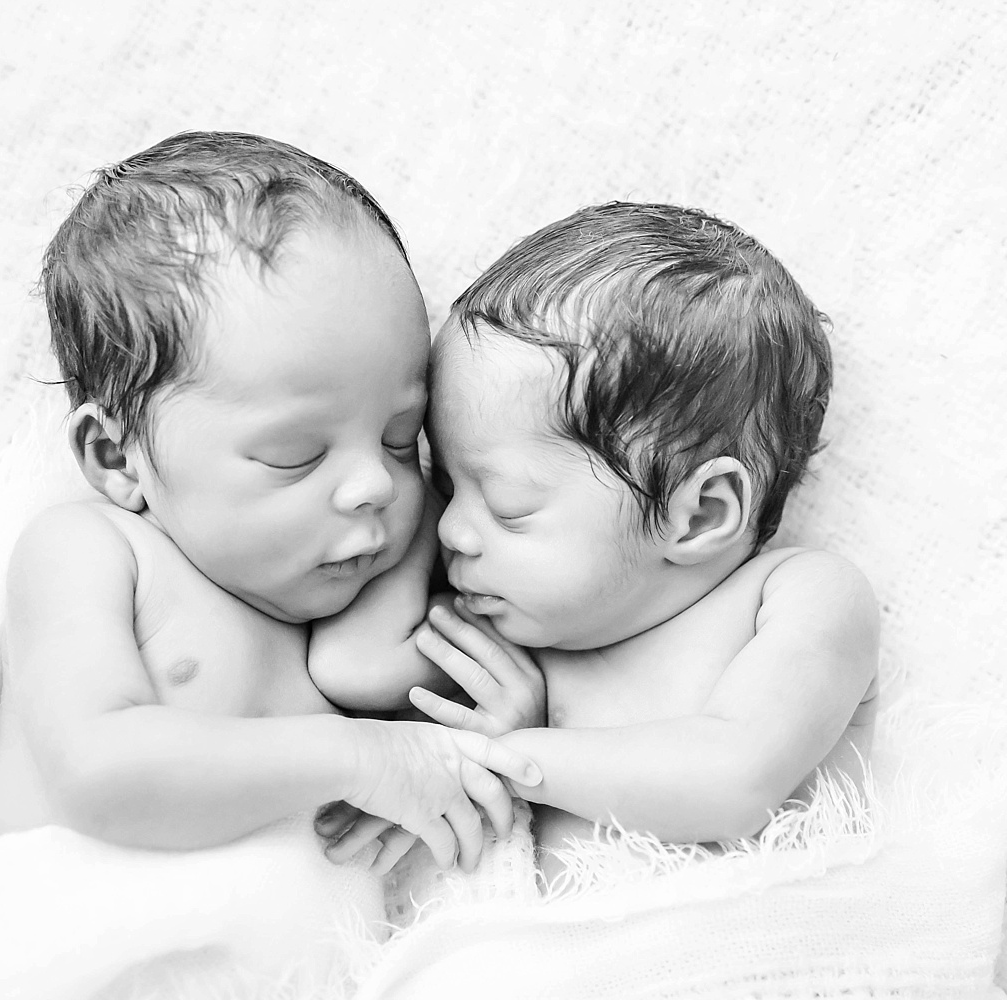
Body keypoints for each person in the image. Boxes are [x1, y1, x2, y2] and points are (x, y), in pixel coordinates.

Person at [0, 131, 540, 877]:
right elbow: (98, 773)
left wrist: (504, 738)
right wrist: (359, 755)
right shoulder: (91, 553)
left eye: (399, 435)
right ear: (116, 457)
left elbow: (449, 771)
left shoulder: (387, 575)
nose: (376, 483)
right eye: (295, 454)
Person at [321, 202, 879, 883]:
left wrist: (514, 757)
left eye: (507, 504)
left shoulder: (800, 597)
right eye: (447, 481)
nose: (453, 530)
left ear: (701, 513)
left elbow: (735, 782)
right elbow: (351, 668)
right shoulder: (524, 642)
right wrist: (408, 485)